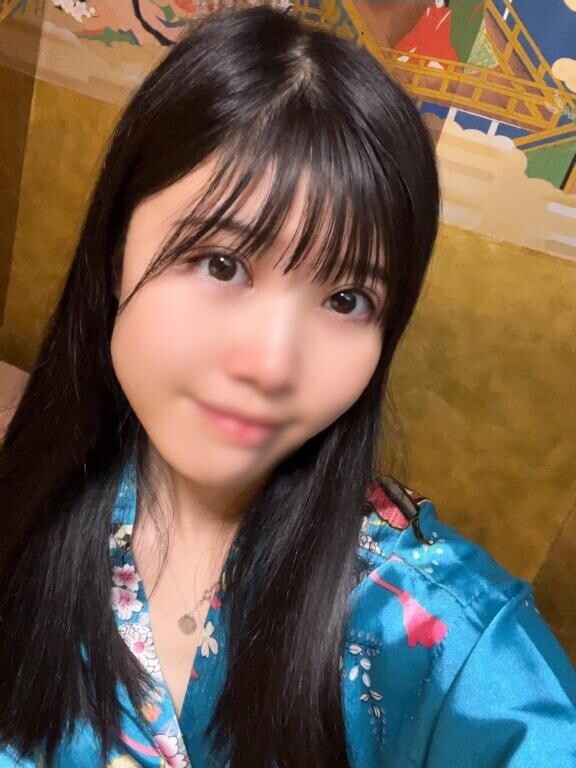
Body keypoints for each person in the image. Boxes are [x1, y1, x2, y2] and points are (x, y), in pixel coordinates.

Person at [0, 6, 574, 768]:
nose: (272, 365)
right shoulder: (26, 504)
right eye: (222, 263)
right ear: (115, 251)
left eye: (347, 300)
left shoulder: (444, 639)